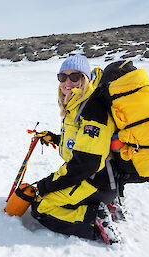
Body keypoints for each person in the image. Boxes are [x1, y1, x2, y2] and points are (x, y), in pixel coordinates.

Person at [31, 54, 118, 241]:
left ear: (85, 78)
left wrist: (47, 184)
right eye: (62, 77)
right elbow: (82, 143)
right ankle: (102, 205)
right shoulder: (77, 106)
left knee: (41, 206)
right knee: (49, 192)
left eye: (74, 77)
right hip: (94, 178)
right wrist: (54, 138)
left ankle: (93, 219)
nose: (67, 82)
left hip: (96, 181)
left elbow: (86, 163)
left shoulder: (92, 109)